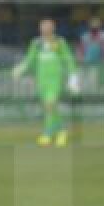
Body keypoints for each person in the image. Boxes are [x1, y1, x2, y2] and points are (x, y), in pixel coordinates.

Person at [12, 18, 78, 147]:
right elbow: (29, 60)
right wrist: (19, 70)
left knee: (50, 104)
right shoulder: (36, 43)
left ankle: (47, 134)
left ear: (53, 28)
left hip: (55, 79)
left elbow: (68, 59)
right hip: (41, 80)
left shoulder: (59, 42)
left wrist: (73, 78)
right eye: (43, 27)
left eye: (48, 27)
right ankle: (61, 132)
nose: (45, 29)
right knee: (50, 108)